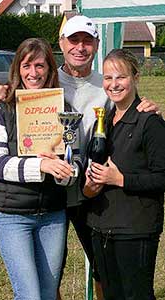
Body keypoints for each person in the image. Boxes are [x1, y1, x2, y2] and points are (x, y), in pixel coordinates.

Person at [0, 15, 159, 300]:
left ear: (96, 45)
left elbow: (131, 108)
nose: (80, 47)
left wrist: (151, 108)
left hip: (93, 191)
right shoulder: (43, 81)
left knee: (102, 270)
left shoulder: (107, 85)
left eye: (87, 41)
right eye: (73, 40)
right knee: (50, 280)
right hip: (51, 195)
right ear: (61, 44)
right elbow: (5, 115)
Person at [0, 38, 80, 300]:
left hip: (51, 213)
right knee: (29, 295)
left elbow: (76, 158)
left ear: (50, 69)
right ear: (17, 68)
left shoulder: (64, 110)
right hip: (12, 215)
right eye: (27, 66)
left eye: (40, 66)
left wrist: (66, 172)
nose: (33, 73)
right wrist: (42, 165)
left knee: (48, 294)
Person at [83, 48, 165, 300]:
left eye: (121, 77)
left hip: (135, 228)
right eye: (108, 78)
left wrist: (119, 179)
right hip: (101, 227)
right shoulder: (105, 120)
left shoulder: (150, 122)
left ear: (135, 77)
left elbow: (162, 177)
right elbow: (93, 171)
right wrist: (90, 185)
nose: (113, 84)